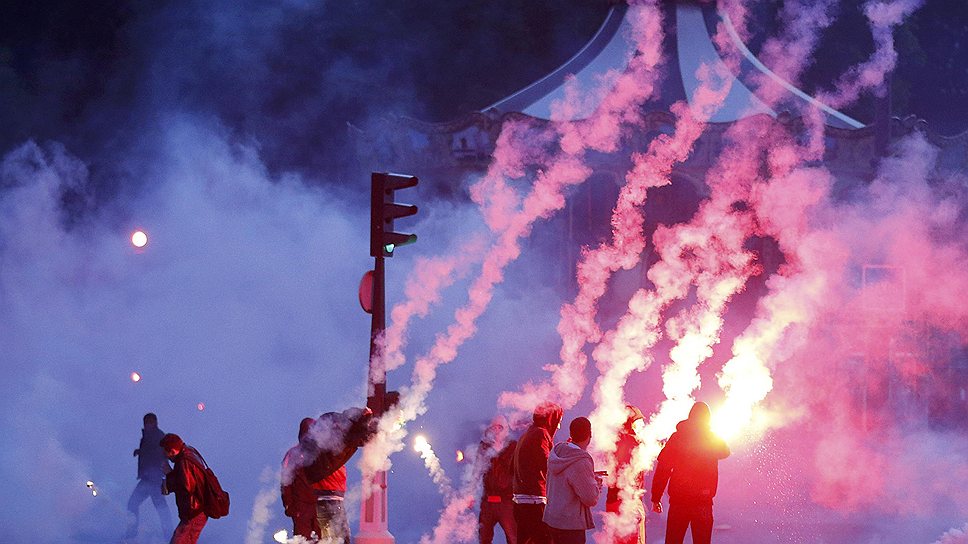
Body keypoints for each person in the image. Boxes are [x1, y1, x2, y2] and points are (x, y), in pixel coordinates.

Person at [650, 402, 730, 544]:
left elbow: (663, 468)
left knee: (673, 541)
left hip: (679, 502)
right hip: (703, 502)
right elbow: (725, 451)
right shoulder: (710, 438)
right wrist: (708, 433)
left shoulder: (677, 437)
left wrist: (656, 497)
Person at [304, 407, 375, 544]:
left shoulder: (315, 445)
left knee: (325, 539)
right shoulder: (332, 443)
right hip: (329, 499)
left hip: (320, 499)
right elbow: (356, 438)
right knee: (341, 539)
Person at [543, 417, 602, 544]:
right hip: (570, 526)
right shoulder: (581, 460)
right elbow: (590, 498)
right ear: (589, 435)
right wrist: (596, 485)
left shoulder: (557, 452)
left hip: (552, 520)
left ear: (571, 433)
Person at [512, 401, 563, 544]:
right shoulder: (541, 434)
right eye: (558, 421)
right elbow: (548, 465)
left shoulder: (527, 434)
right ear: (550, 418)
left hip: (521, 500)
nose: (558, 426)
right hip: (534, 501)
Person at [124, 413, 173, 540]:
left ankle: (170, 536)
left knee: (160, 507)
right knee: (134, 504)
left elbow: (158, 454)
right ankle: (132, 533)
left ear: (155, 422)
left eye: (151, 422)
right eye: (146, 422)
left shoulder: (158, 436)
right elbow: (151, 451)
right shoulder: (149, 436)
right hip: (148, 478)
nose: (148, 425)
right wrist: (140, 452)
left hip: (154, 479)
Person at [605, 405, 646, 544]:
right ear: (632, 423)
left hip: (612, 501)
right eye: (638, 422)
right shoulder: (635, 442)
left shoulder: (612, 441)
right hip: (630, 503)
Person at [160, 433, 209, 544]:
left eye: (165, 453)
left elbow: (187, 487)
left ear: (172, 451)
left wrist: (169, 474)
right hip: (195, 511)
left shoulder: (184, 462)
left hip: (194, 512)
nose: (165, 456)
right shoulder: (188, 452)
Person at [479, 415, 517, 544]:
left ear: (506, 429)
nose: (496, 430)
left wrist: (496, 453)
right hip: (487, 501)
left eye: (500, 427)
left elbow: (512, 471)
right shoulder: (484, 446)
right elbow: (476, 470)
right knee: (484, 537)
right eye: (493, 427)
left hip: (507, 501)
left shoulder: (513, 447)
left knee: (513, 538)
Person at [282, 417, 319, 540]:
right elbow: (285, 482)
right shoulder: (321, 453)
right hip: (307, 505)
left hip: (306, 506)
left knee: (305, 539)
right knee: (318, 539)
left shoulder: (293, 454)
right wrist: (290, 505)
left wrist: (289, 505)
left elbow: (285, 482)